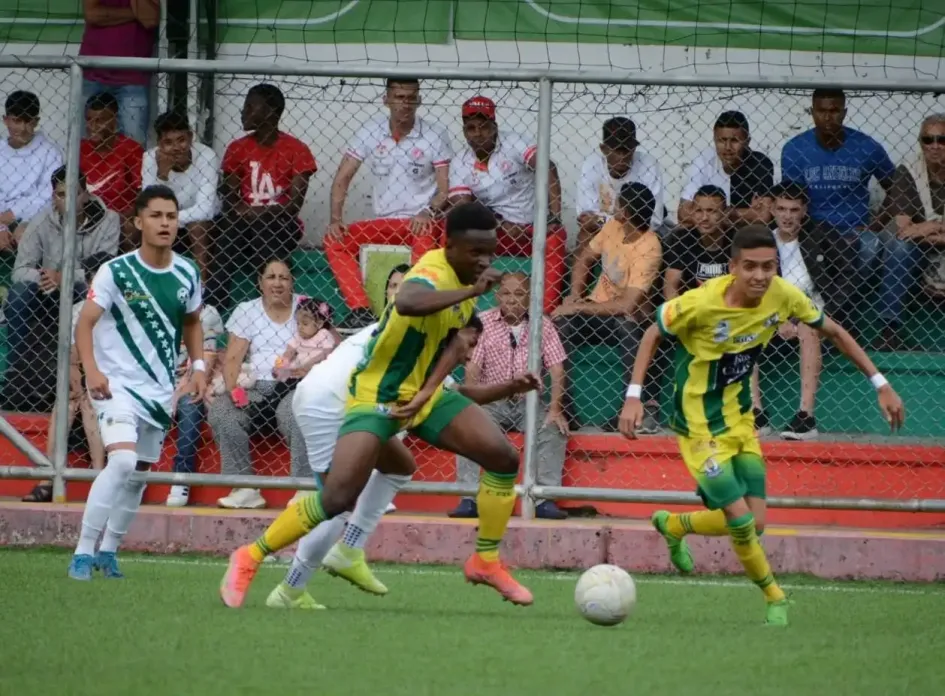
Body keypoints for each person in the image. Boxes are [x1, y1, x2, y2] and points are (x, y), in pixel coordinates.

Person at [220, 202, 536, 608]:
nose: (484, 261)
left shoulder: (466, 283)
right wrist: (474, 290)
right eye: (475, 252)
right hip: (374, 394)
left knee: (502, 457)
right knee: (336, 498)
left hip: (419, 395)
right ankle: (252, 555)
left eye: (490, 251)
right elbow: (408, 302)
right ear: (449, 245)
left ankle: (485, 560)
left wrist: (428, 391)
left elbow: (452, 346)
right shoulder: (431, 272)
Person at [618, 224, 905, 625]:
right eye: (750, 266)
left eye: (768, 266)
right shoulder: (700, 302)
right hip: (698, 427)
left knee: (758, 522)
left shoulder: (784, 296)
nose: (759, 275)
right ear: (732, 267)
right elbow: (652, 332)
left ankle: (675, 525)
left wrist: (881, 384)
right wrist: (633, 396)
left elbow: (835, 332)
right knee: (739, 519)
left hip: (740, 422)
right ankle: (774, 595)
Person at [67, 185, 207, 581]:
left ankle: (109, 552)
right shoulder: (116, 271)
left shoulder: (187, 271)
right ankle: (81, 551)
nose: (165, 223)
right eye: (157, 215)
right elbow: (86, 322)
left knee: (140, 471)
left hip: (159, 389)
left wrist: (197, 366)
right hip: (116, 385)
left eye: (171, 216)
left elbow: (193, 322)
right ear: (138, 221)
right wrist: (91, 370)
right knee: (123, 461)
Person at [780, 88, 904, 349]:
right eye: (822, 111)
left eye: (834, 110)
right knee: (816, 255)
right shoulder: (794, 149)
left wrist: (878, 222)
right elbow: (793, 199)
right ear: (812, 112)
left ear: (844, 112)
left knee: (871, 245)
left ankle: (839, 315)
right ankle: (840, 319)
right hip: (812, 229)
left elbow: (896, 186)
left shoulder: (866, 146)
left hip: (855, 228)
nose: (828, 117)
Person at [325, 78, 453, 327]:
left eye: (411, 97)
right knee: (334, 239)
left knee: (425, 232)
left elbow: (445, 189)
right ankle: (361, 311)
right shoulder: (371, 131)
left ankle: (414, 307)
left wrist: (428, 212)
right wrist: (335, 219)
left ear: (419, 100)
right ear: (386, 100)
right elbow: (342, 178)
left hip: (419, 224)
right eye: (399, 97)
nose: (405, 104)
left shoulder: (435, 134)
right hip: (383, 223)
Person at [450, 271, 569, 520]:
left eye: (519, 294)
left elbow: (557, 369)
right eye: (506, 293)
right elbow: (472, 369)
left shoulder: (542, 324)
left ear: (529, 298)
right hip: (491, 400)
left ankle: (544, 498)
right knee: (467, 429)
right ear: (497, 296)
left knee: (553, 429)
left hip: (530, 402)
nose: (512, 300)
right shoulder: (483, 322)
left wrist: (555, 409)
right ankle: (468, 497)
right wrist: (471, 406)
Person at [3, 166, 119, 409]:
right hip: (44, 290)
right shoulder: (42, 220)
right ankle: (16, 377)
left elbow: (104, 271)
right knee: (19, 295)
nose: (66, 201)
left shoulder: (109, 220)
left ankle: (80, 374)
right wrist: (46, 277)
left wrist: (64, 276)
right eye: (60, 194)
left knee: (84, 294)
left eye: (73, 194)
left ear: (85, 194)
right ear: (53, 196)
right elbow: (19, 270)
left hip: (81, 290)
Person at [554, 182, 662, 431]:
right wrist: (574, 296)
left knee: (628, 329)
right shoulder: (613, 227)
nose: (613, 207)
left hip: (627, 318)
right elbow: (584, 259)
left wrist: (577, 308)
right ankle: (564, 408)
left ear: (625, 213)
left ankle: (627, 411)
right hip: (595, 310)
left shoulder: (650, 247)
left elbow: (626, 306)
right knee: (561, 326)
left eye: (618, 203)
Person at [447, 96, 566, 314]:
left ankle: (546, 313)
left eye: (483, 127)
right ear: (464, 131)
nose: (478, 133)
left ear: (495, 127)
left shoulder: (514, 143)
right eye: (471, 128)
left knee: (557, 236)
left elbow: (547, 167)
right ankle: (459, 307)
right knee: (454, 234)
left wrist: (553, 216)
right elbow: (461, 207)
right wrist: (499, 225)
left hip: (533, 229)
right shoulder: (459, 162)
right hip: (496, 232)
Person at [209, 258, 311, 510]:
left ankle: (306, 488)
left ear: (292, 282)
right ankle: (244, 488)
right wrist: (233, 389)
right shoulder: (246, 310)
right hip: (255, 387)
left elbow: (330, 344)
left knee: (296, 412)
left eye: (284, 278)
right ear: (260, 282)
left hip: (295, 385)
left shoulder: (306, 306)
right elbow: (232, 358)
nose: (277, 283)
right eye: (271, 277)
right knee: (222, 410)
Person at [207, 84, 317, 311]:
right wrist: (245, 213)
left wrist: (257, 213)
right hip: (241, 229)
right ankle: (214, 304)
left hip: (280, 227)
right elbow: (230, 198)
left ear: (271, 111)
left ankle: (271, 301)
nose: (243, 112)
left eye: (250, 106)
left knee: (265, 227)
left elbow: (292, 207)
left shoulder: (297, 150)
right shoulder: (237, 148)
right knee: (230, 226)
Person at [769, 182, 830, 440]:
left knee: (808, 324)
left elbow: (845, 280)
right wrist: (778, 318)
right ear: (771, 209)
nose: (787, 216)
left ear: (804, 210)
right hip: (771, 315)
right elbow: (752, 291)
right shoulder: (762, 240)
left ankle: (806, 416)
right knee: (741, 324)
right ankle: (756, 414)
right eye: (781, 208)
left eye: (794, 209)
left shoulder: (820, 236)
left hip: (812, 311)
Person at [141, 111, 219, 280]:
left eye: (181, 140)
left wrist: (166, 217)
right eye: (168, 142)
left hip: (202, 223)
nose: (176, 148)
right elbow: (147, 205)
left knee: (197, 226)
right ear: (159, 144)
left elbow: (206, 210)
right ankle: (147, 279)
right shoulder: (149, 159)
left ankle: (201, 287)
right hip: (168, 220)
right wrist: (162, 175)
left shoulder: (206, 156)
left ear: (190, 137)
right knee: (141, 226)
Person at [165, 303, 225, 508]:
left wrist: (181, 390)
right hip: (157, 382)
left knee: (191, 403)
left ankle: (181, 476)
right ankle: (133, 476)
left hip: (190, 380)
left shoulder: (204, 320)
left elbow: (206, 364)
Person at [576, 116, 665, 246]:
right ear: (604, 149)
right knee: (585, 234)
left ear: (634, 149)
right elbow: (585, 218)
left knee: (654, 238)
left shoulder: (648, 165)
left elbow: (655, 219)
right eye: (617, 150)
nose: (622, 156)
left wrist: (602, 220)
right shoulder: (592, 166)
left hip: (638, 231)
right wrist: (614, 221)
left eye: (627, 149)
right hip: (603, 231)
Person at [79, 0, 158, 145]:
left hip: (133, 78)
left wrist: (110, 15)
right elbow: (92, 15)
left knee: (133, 148)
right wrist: (134, 14)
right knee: (86, 147)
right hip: (94, 73)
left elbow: (150, 18)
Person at [678, 110, 774, 228]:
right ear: (714, 139)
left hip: (745, 234)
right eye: (722, 140)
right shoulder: (704, 160)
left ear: (747, 141)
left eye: (734, 140)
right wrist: (743, 213)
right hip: (710, 233)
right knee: (681, 229)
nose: (728, 147)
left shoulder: (760, 163)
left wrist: (710, 213)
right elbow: (683, 212)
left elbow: (764, 216)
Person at [0, 90, 63, 252]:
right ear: (6, 120)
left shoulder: (50, 152)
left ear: (36, 122)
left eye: (28, 122)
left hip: (32, 217)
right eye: (16, 121)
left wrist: (12, 215)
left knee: (25, 236)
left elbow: (47, 195)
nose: (22, 128)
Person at [80, 92, 144, 249]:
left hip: (121, 217)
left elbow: (142, 195)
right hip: (88, 215)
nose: (92, 127)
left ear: (114, 121)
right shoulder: (80, 149)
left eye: (99, 121)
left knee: (132, 227)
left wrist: (114, 218)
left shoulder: (131, 149)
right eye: (89, 120)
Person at [274, 297, 340, 376]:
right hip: (298, 368)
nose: (300, 327)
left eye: (305, 323)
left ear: (319, 324)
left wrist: (309, 365)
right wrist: (284, 360)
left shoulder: (323, 334)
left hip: (316, 370)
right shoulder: (299, 336)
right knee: (284, 374)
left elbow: (327, 353)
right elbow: (290, 350)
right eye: (298, 323)